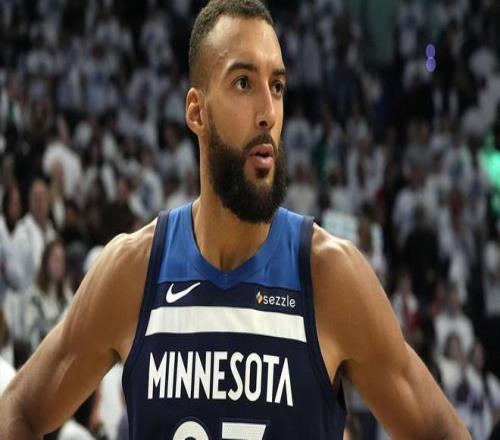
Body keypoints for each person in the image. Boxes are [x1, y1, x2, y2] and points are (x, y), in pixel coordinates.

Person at [0, 1, 470, 439]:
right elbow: (19, 409)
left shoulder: (330, 276)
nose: (268, 112)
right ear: (196, 111)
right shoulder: (134, 271)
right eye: (244, 83)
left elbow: (442, 431)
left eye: (277, 86)